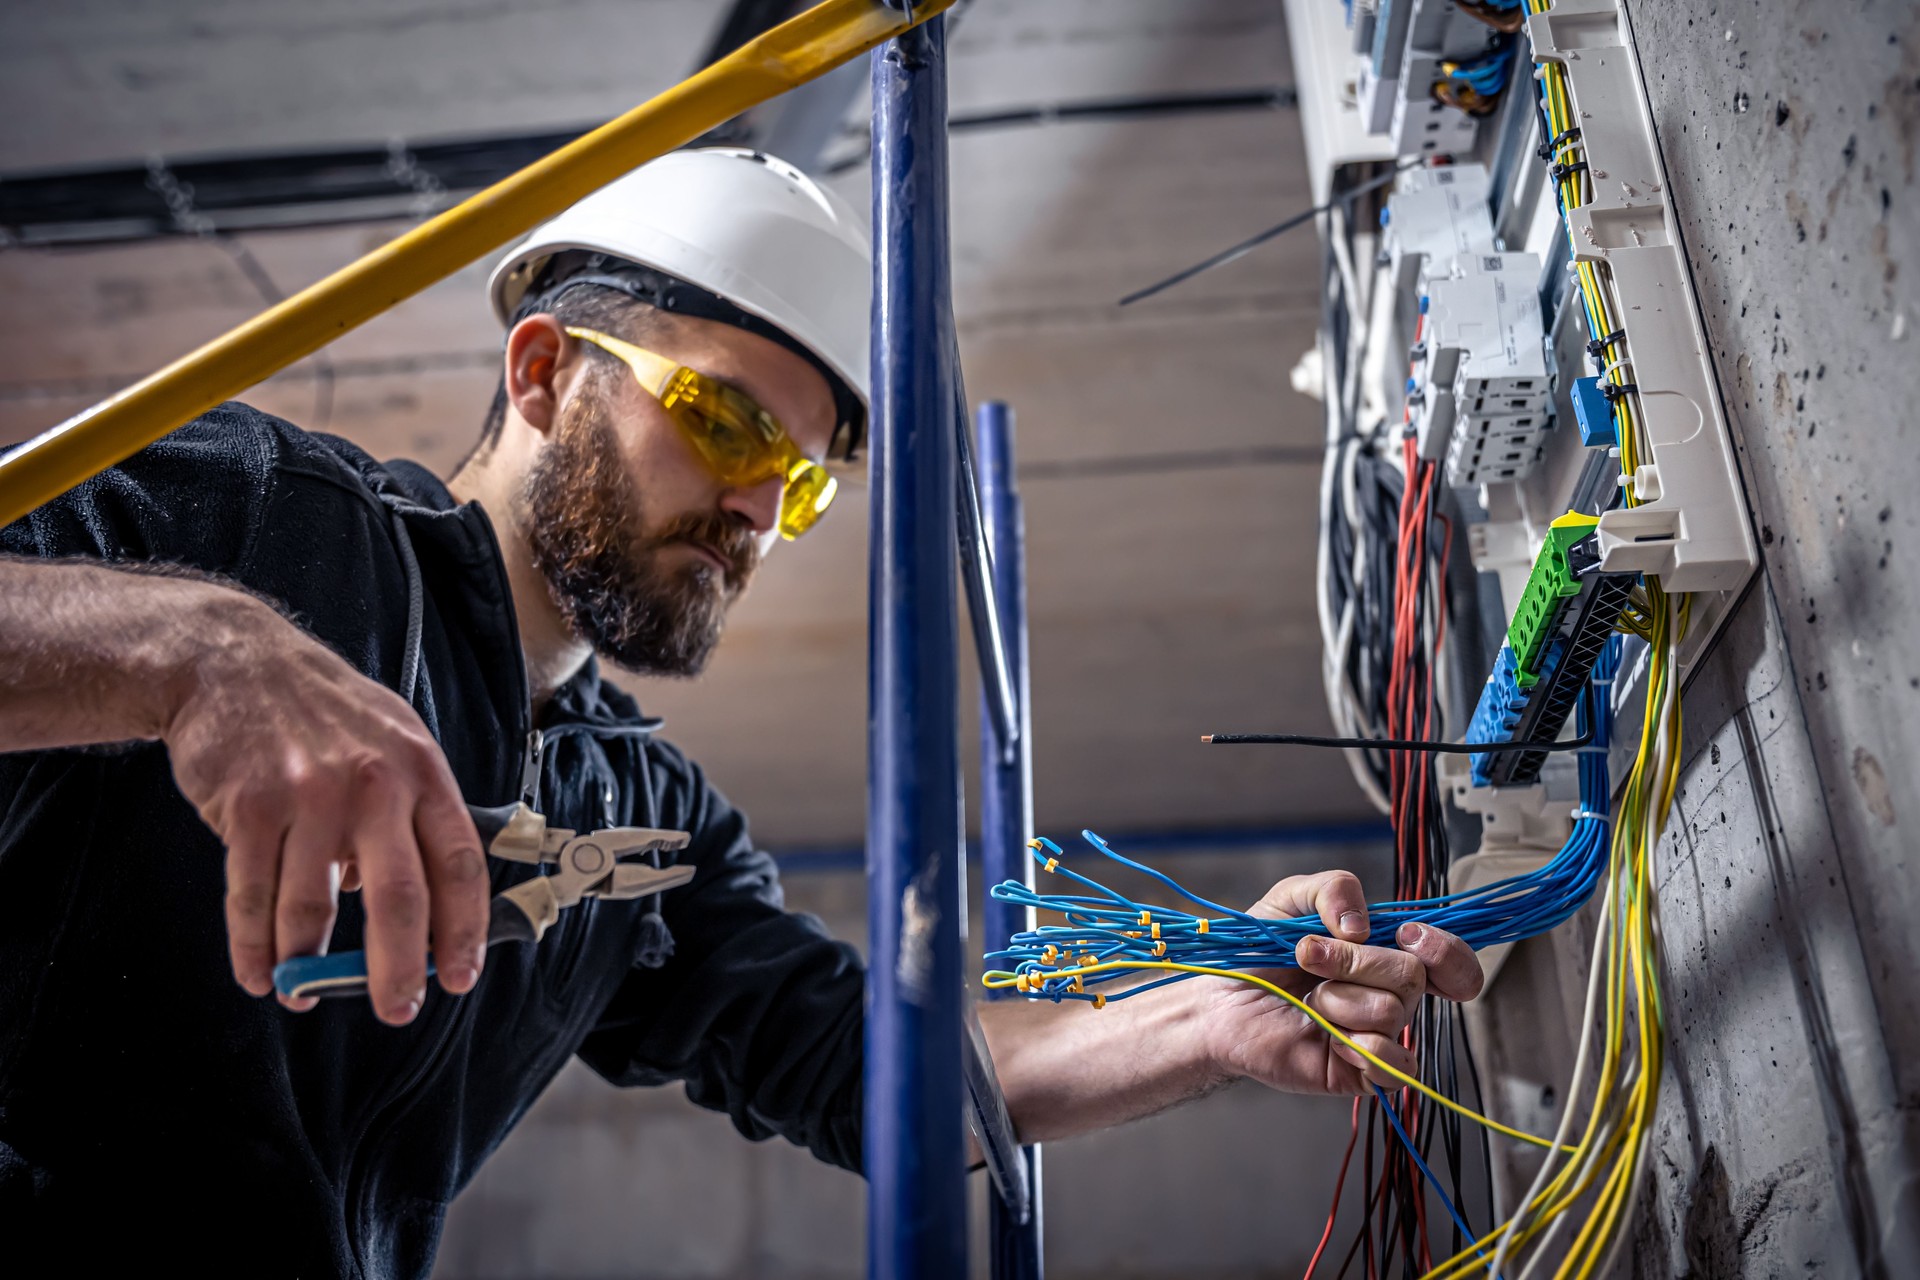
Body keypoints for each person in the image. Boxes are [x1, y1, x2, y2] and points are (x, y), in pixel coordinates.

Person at [0, 148, 1482, 1276]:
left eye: (807, 480)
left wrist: (1207, 1024)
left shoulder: (644, 821)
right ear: (542, 375)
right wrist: (190, 647)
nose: (760, 514)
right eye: (725, 423)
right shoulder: (267, 523)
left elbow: (866, 1068)